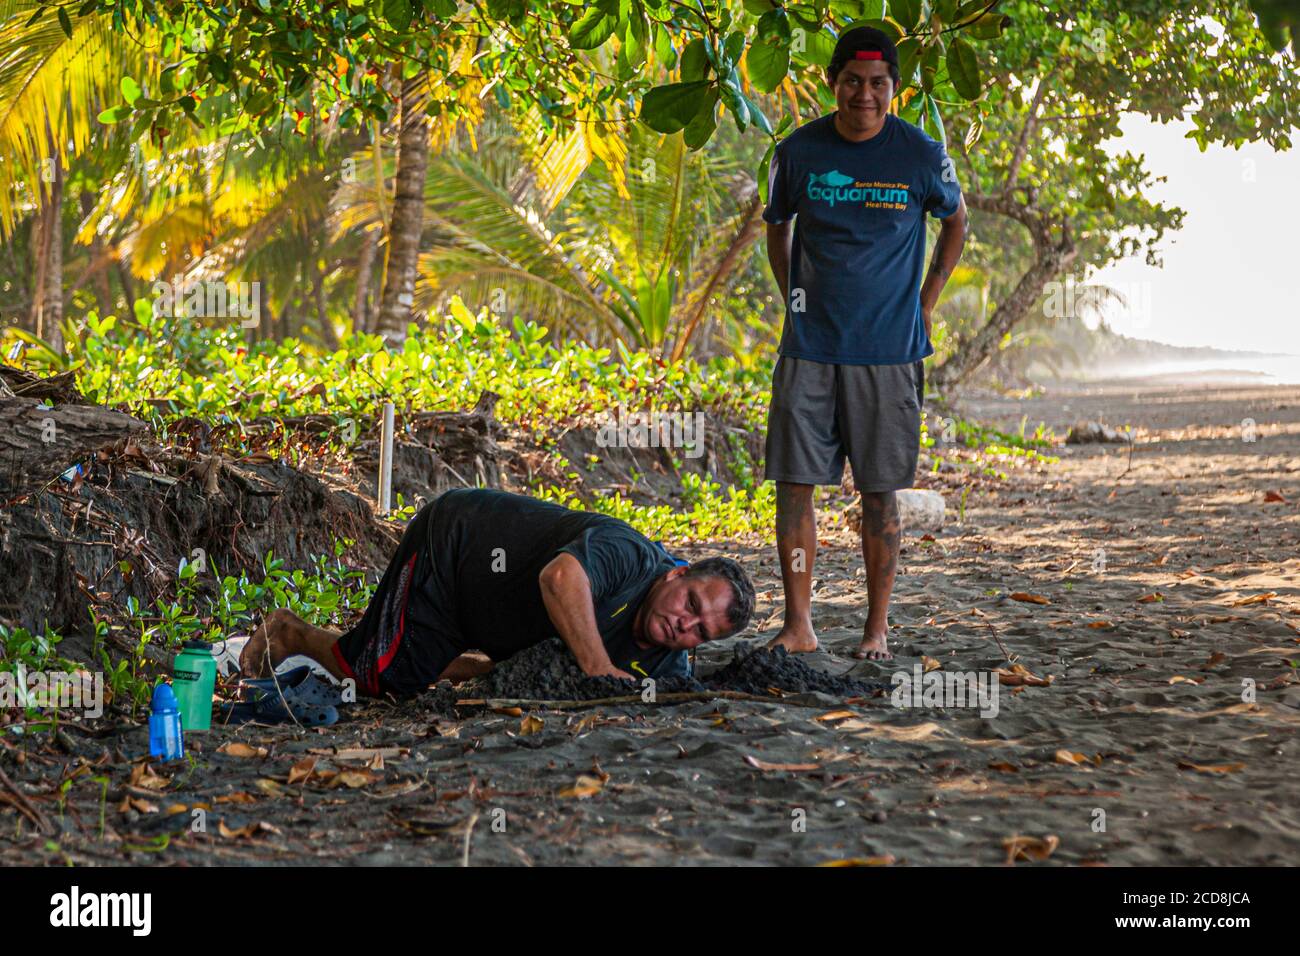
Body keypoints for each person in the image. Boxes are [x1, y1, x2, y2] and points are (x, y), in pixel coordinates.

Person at [762, 26, 967, 660]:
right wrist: (793, 299)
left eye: (878, 84)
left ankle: (876, 629)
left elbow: (956, 222)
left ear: (894, 89)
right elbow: (777, 227)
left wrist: (926, 302)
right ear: (833, 83)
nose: (865, 95)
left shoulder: (923, 156)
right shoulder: (795, 152)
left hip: (889, 352)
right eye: (853, 81)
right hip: (810, 350)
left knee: (879, 493)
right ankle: (800, 623)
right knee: (795, 486)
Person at [240, 488, 756, 695]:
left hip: (497, 616)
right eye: (691, 604)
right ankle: (293, 632)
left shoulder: (670, 663)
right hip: (457, 548)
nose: (685, 625)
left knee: (472, 678)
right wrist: (599, 670)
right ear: (675, 574)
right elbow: (560, 578)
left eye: (700, 632)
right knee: (377, 680)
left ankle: (441, 657)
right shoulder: (631, 555)